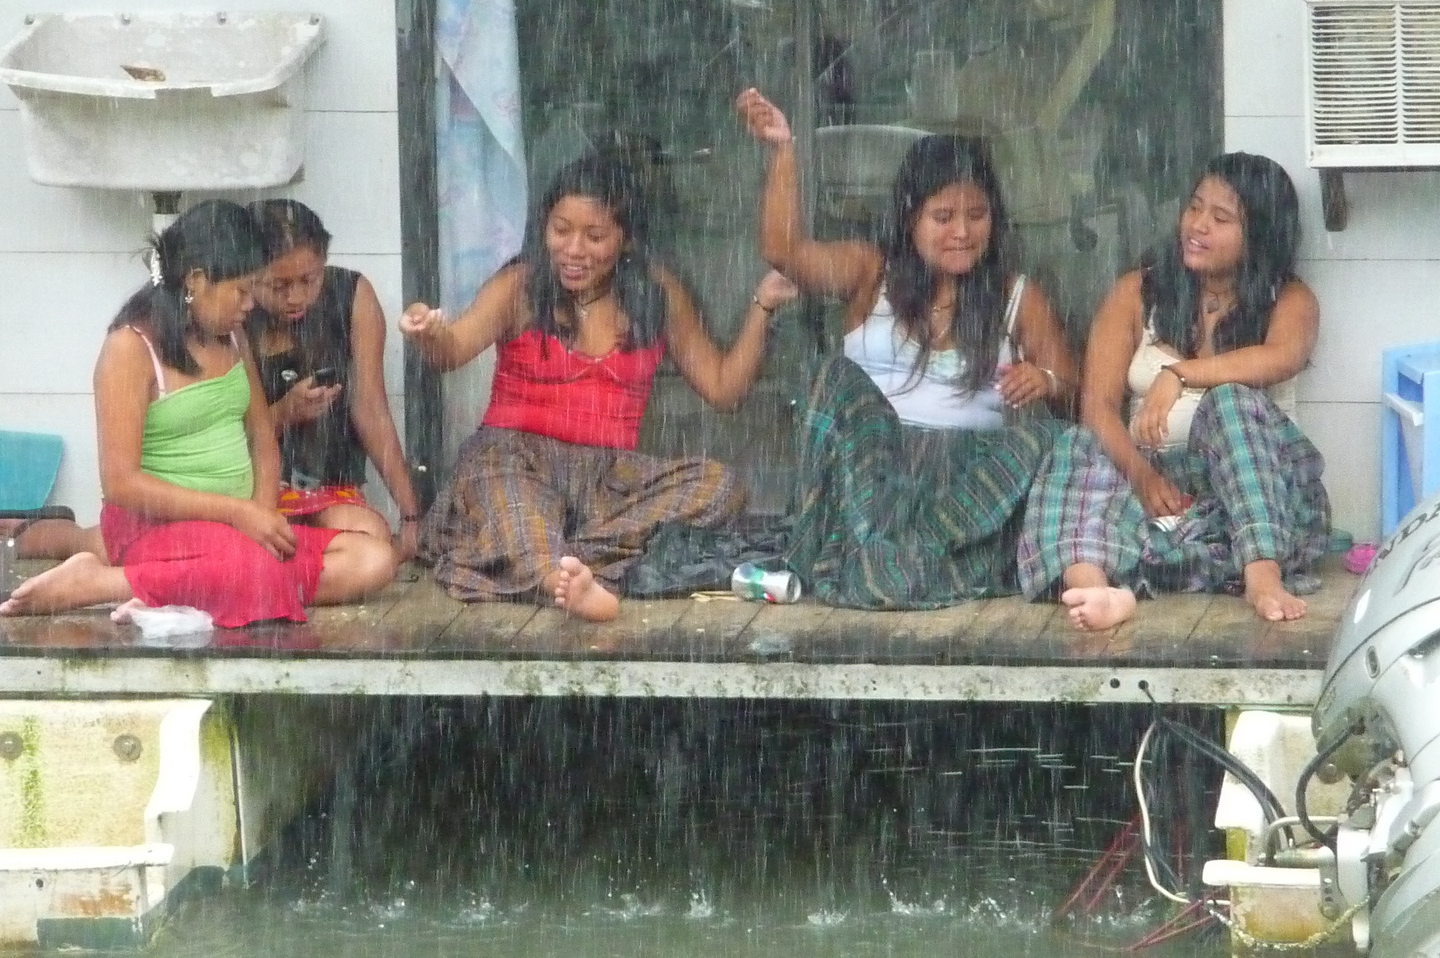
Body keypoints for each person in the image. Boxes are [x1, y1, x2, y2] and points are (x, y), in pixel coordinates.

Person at [403, 150, 797, 622]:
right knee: (511, 501)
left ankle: (556, 561)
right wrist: (430, 333)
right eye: (561, 230)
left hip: (609, 481)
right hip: (512, 458)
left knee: (719, 486)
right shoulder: (520, 285)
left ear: (625, 239)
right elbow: (452, 351)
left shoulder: (656, 293)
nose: (573, 249)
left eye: (595, 236)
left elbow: (723, 389)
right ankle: (565, 581)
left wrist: (763, 306)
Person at [735, 87, 1078, 608]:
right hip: (870, 476)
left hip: (965, 495)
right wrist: (785, 151)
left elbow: (1076, 391)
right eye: (943, 217)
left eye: (977, 215)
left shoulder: (1016, 297)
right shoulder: (871, 273)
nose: (962, 232)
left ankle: (891, 562)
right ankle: (883, 558)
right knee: (834, 378)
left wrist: (1046, 381)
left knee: (1049, 439)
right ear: (910, 218)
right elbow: (783, 250)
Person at [0, 200, 396, 625]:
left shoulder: (234, 336)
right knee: (256, 571)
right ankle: (101, 584)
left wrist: (261, 514)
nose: (250, 304)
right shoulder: (131, 349)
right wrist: (236, 514)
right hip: (155, 528)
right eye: (242, 291)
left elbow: (263, 444)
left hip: (237, 530)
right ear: (197, 282)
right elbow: (120, 483)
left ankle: (174, 587)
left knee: (373, 559)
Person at [1017, 152, 1329, 632]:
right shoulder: (1136, 292)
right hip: (1157, 490)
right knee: (1076, 442)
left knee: (1229, 402)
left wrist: (1180, 374)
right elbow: (1096, 407)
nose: (1198, 225)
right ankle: (1094, 586)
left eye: (1221, 218)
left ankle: (1262, 574)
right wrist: (1142, 477)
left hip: (1253, 494)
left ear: (1260, 236)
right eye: (1194, 207)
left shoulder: (1288, 300)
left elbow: (1281, 357)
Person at [246, 199, 422, 561]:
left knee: (372, 537)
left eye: (308, 280)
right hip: (251, 489)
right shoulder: (236, 313)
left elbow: (371, 410)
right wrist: (284, 413)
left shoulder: (351, 295)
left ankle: (281, 567)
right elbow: (220, 432)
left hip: (329, 487)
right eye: (279, 285)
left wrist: (410, 515)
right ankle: (274, 568)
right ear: (249, 275)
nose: (296, 297)